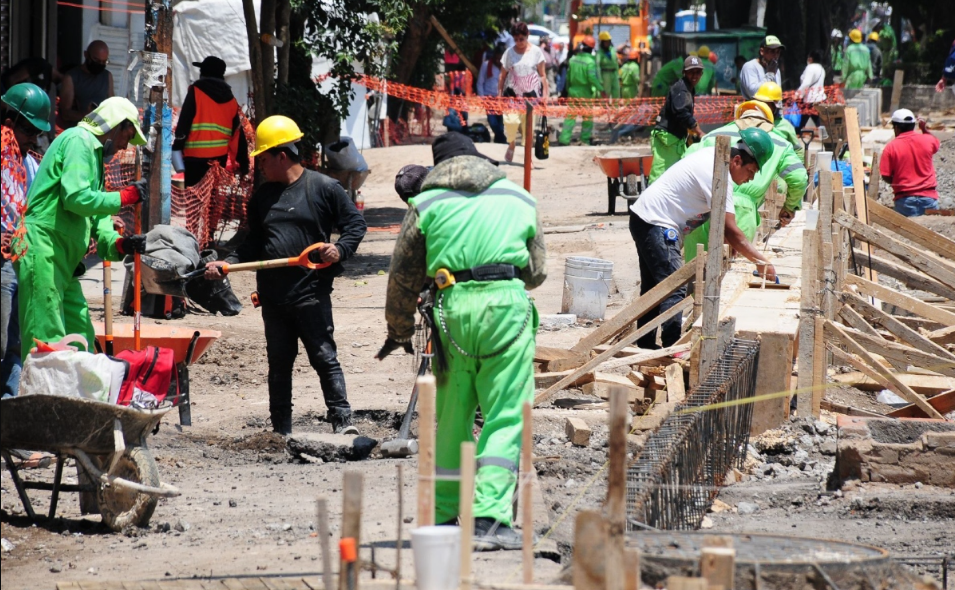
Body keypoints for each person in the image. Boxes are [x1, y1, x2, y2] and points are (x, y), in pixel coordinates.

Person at [377, 132, 546, 551]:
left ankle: (442, 514)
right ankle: (489, 519)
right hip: (506, 310)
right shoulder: (519, 197)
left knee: (452, 416)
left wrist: (398, 331)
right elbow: (538, 271)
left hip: (450, 311)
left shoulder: (427, 203)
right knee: (506, 413)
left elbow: (401, 276)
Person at [203, 115, 367, 435]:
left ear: (281, 155)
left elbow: (355, 226)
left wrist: (341, 249)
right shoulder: (263, 197)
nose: (260, 167)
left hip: (310, 292)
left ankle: (342, 422)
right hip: (273, 297)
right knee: (279, 364)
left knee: (323, 356)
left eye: (263, 159)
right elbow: (253, 242)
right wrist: (228, 262)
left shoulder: (324, 188)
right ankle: (280, 431)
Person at [14, 97, 148, 363]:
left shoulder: (94, 155)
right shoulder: (79, 140)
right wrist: (124, 197)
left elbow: (96, 217)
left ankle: (79, 400)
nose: (124, 146)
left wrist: (120, 245)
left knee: (81, 335)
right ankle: (46, 402)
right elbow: (76, 198)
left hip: (62, 258)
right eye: (127, 135)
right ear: (115, 125)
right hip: (43, 247)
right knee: (47, 338)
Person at [629, 128, 777, 349]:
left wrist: (731, 245)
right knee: (675, 287)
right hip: (656, 223)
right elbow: (730, 229)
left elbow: (723, 225)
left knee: (655, 289)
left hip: (646, 218)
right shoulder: (719, 173)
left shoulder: (714, 158)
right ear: (737, 160)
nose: (750, 179)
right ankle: (672, 348)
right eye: (751, 171)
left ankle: (646, 345)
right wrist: (762, 263)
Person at [681, 101, 807, 262]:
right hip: (741, 212)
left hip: (702, 206)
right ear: (769, 122)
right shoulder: (780, 142)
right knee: (730, 278)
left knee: (695, 275)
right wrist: (789, 207)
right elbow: (799, 177)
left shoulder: (713, 135)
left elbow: (686, 159)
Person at [1, 83, 50, 397]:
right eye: (30, 130)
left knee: (17, 340)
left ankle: (9, 411)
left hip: (21, 260)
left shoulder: (30, 163)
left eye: (38, 132)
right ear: (11, 119)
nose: (34, 138)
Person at [172, 56, 249, 188]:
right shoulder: (231, 100)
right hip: (219, 161)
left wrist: (177, 146)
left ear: (204, 73)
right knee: (211, 202)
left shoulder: (196, 92)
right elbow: (237, 134)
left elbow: (184, 123)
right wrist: (243, 162)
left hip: (194, 160)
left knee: (194, 200)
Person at [647, 56, 705, 184]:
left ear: (702, 73)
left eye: (697, 72)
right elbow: (681, 112)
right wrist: (699, 131)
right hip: (667, 138)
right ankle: (653, 201)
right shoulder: (681, 89)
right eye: (691, 72)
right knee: (661, 176)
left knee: (672, 176)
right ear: (684, 72)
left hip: (675, 138)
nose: (694, 76)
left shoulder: (688, 87)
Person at [499, 22, 548, 163]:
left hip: (531, 96)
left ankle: (528, 158)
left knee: (528, 128)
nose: (519, 42)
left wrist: (545, 95)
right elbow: (502, 76)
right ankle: (512, 144)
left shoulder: (536, 52)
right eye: (516, 39)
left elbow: (542, 75)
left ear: (527, 36)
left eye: (521, 39)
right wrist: (499, 94)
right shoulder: (509, 53)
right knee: (511, 122)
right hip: (512, 95)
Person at [879, 109, 940, 217]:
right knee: (931, 232)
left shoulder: (891, 147)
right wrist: (924, 129)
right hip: (929, 198)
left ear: (896, 128)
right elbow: (936, 144)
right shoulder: (928, 140)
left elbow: (885, 175)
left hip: (904, 200)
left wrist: (900, 182)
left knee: (906, 233)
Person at [558, 38, 603, 146]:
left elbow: (568, 78)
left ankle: (564, 139)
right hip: (584, 92)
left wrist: (568, 90)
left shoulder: (573, 59)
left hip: (573, 90)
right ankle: (585, 140)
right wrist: (601, 89)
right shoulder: (590, 62)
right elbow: (592, 78)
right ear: (592, 49)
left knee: (570, 116)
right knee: (587, 117)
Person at [58, 40, 114, 128]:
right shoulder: (71, 77)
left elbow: (112, 105)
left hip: (103, 131)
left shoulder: (107, 76)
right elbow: (65, 113)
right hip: (80, 130)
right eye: (96, 60)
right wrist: (87, 115)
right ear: (86, 55)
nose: (99, 64)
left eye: (104, 62)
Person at [751, 81, 803, 159]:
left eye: (766, 103)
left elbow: (797, 150)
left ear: (775, 106)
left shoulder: (786, 126)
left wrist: (799, 168)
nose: (761, 106)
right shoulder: (751, 122)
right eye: (760, 102)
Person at [740, 35, 784, 100]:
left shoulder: (775, 70)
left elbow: (778, 97)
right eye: (772, 51)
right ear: (762, 51)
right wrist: (770, 74)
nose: (776, 55)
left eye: (778, 52)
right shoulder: (750, 67)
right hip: (755, 108)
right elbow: (753, 93)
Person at [477, 43, 507, 143]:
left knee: (500, 121)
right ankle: (501, 138)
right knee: (492, 121)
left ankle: (499, 140)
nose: (498, 61)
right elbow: (480, 82)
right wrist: (482, 99)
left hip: (501, 99)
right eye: (497, 58)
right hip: (489, 98)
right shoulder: (486, 65)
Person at [796, 50, 826, 131]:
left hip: (810, 99)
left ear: (811, 59)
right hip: (819, 99)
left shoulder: (810, 68)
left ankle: (796, 135)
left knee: (802, 122)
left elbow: (806, 83)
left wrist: (798, 94)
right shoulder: (821, 69)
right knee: (817, 120)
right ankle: (825, 138)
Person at [595, 31, 621, 99]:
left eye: (608, 41)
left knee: (616, 92)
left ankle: (615, 109)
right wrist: (600, 79)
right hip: (605, 75)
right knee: (606, 94)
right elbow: (597, 67)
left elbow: (616, 63)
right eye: (605, 42)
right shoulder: (599, 53)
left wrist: (618, 75)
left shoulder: (612, 50)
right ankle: (604, 109)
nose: (607, 43)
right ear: (602, 42)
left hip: (614, 74)